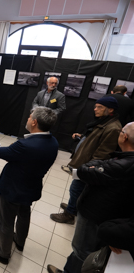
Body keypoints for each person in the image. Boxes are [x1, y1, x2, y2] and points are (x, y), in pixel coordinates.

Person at [47, 122, 134, 273]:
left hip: (95, 214)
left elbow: (84, 170)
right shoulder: (123, 160)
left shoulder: (122, 165)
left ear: (124, 137)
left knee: (82, 251)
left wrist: (93, 165)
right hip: (107, 213)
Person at [0, 107, 59, 265]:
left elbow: (1, 152)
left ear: (35, 122)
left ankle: (2, 253)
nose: (28, 119)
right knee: (24, 215)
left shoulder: (25, 145)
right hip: (31, 187)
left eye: (30, 117)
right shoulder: (53, 142)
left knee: (6, 221)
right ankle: (20, 241)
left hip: (13, 188)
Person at [50, 96, 121, 224]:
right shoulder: (103, 122)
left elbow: (103, 153)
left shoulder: (113, 128)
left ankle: (70, 214)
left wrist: (88, 168)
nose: (95, 109)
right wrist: (82, 137)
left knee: (76, 188)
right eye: (95, 106)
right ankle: (73, 206)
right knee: (77, 188)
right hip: (85, 162)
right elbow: (94, 139)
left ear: (110, 110)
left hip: (87, 165)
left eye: (100, 107)